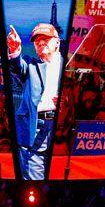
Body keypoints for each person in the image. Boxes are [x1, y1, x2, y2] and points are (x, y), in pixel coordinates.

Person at [6, 22, 63, 180]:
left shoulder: (69, 64)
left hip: (62, 130)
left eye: (45, 38)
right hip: (35, 127)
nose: (40, 42)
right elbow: (17, 66)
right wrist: (14, 49)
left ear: (57, 42)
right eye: (37, 41)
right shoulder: (31, 65)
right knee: (34, 176)